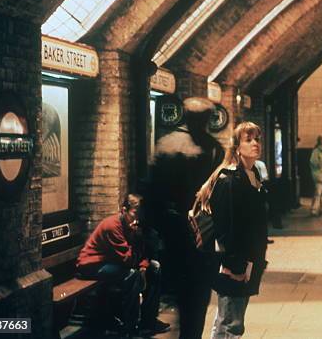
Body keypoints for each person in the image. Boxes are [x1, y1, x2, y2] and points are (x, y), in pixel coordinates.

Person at [147, 97, 224, 339]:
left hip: (176, 236)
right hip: (201, 234)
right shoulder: (215, 149)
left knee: (184, 297)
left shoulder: (167, 145)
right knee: (197, 299)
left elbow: (153, 193)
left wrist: (160, 229)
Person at [194, 122, 268, 338]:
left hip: (248, 259)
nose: (255, 143)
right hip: (234, 261)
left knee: (229, 318)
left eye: (257, 139)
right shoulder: (230, 181)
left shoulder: (253, 174)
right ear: (237, 147)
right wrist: (233, 264)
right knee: (231, 323)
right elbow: (225, 227)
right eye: (249, 140)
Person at [76, 194, 170, 336]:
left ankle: (148, 322)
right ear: (124, 210)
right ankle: (129, 327)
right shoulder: (113, 225)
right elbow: (129, 260)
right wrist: (136, 239)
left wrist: (144, 267)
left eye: (140, 215)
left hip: (112, 262)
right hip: (92, 265)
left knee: (155, 267)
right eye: (134, 214)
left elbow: (142, 255)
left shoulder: (132, 225)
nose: (137, 219)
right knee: (132, 275)